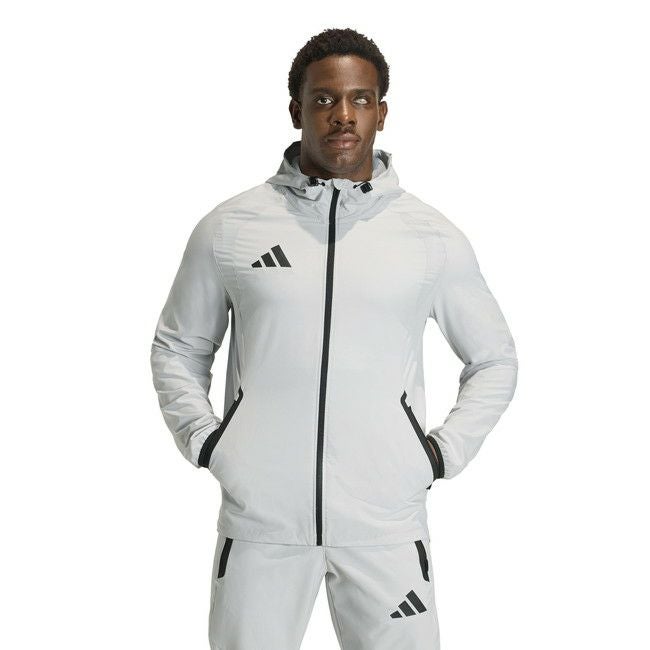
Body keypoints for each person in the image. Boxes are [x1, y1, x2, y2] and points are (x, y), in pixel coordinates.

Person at [150, 27, 518, 650]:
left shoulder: (430, 237)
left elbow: (494, 359)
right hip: (262, 524)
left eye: (359, 99)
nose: (342, 115)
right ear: (296, 110)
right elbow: (178, 348)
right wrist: (210, 442)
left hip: (386, 526)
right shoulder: (230, 228)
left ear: (381, 112)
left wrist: (438, 455)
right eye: (324, 99)